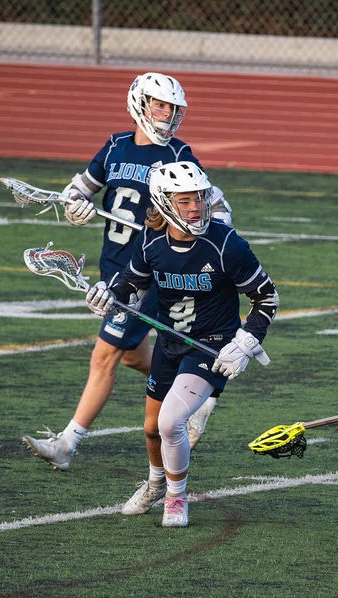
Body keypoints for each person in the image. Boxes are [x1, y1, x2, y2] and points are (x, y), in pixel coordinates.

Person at [21, 72, 230, 470]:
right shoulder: (116, 145)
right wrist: (75, 207)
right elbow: (80, 189)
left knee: (106, 354)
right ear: (140, 104)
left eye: (174, 109)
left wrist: (208, 230)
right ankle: (200, 389)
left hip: (150, 270)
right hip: (113, 264)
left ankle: (67, 444)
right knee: (135, 356)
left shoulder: (178, 154)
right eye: (161, 106)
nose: (168, 115)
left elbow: (214, 205)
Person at [85, 161, 279, 528]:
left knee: (171, 420)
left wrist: (246, 341)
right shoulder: (152, 239)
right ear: (164, 203)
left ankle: (176, 497)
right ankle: (156, 481)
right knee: (150, 429)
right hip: (170, 342)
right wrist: (108, 296)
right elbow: (132, 283)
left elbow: (266, 297)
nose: (197, 208)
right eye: (186, 202)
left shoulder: (225, 244)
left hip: (213, 345)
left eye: (200, 200)